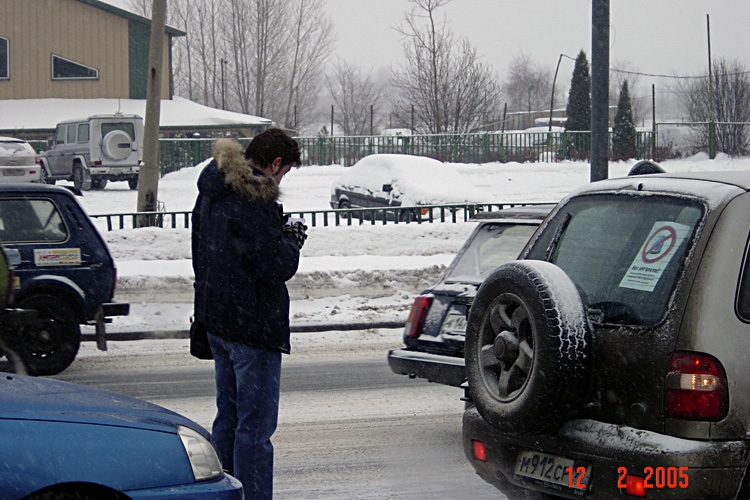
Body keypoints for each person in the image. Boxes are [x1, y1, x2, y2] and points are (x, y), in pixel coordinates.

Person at [191, 128, 306, 499]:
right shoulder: (254, 198)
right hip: (252, 327)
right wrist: (291, 238)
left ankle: (221, 493)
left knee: (228, 418)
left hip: (219, 321)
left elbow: (202, 253)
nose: (282, 178)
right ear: (275, 164)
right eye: (285, 171)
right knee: (255, 431)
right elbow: (275, 266)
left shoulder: (213, 188)